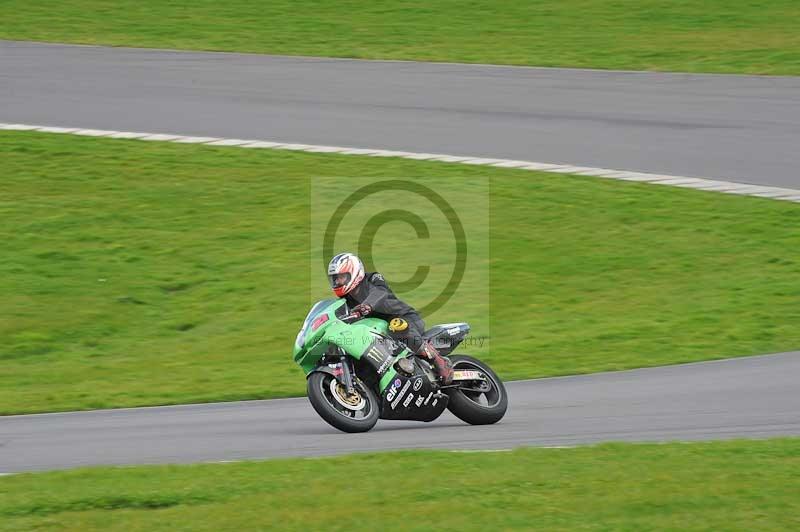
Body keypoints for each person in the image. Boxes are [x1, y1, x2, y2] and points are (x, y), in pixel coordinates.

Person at [327, 252, 454, 384]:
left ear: (353, 272)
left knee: (396, 326)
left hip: (404, 318)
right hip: (380, 332)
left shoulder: (373, 279)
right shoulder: (345, 301)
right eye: (335, 278)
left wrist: (367, 305)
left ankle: (439, 361)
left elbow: (380, 292)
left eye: (341, 277)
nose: (337, 282)